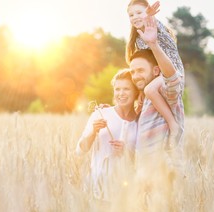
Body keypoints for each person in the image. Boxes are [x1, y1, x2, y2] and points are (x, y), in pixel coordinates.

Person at [126, 0, 184, 149]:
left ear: (148, 12)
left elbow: (154, 32)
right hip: (158, 77)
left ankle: (173, 124)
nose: (135, 17)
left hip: (173, 74)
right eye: (131, 15)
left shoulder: (156, 28)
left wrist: (149, 17)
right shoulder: (139, 39)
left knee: (149, 90)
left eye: (139, 12)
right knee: (145, 93)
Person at [76, 69, 139, 201]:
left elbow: (146, 159)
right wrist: (93, 132)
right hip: (97, 190)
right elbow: (80, 150)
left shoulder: (141, 121)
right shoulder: (101, 114)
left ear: (136, 92)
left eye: (126, 89)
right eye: (117, 89)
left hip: (126, 194)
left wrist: (126, 151)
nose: (121, 93)